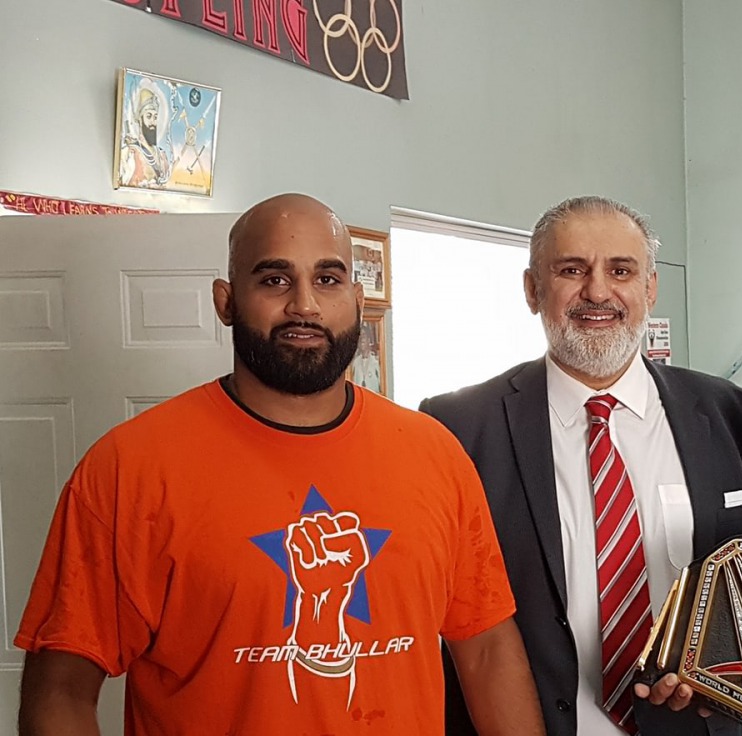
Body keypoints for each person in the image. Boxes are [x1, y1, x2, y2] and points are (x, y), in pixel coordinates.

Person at [15, 193, 545, 736]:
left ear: (358, 300)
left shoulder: (436, 454)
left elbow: (486, 649)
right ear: (226, 301)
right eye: (274, 280)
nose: (305, 305)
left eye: (329, 280)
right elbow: (62, 688)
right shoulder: (129, 467)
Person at [421, 196, 742, 736]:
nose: (598, 292)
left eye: (621, 270)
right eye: (571, 270)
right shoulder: (456, 428)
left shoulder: (740, 418)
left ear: (650, 289)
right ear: (533, 290)